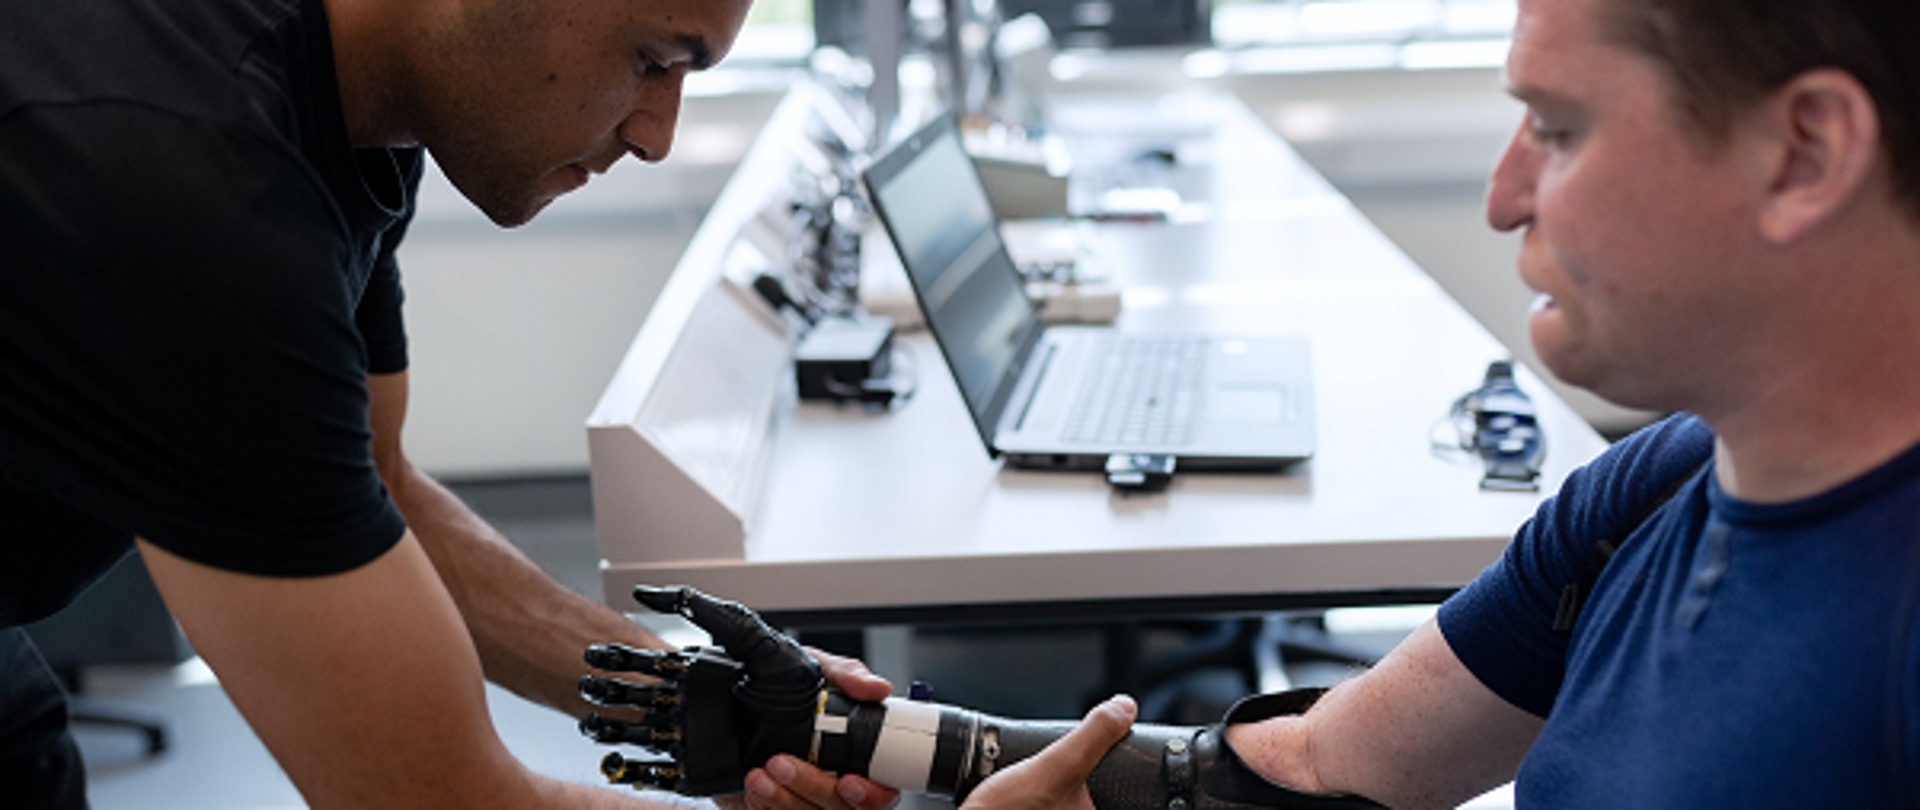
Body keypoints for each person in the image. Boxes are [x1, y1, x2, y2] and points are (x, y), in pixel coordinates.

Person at [746, 0, 1920, 806]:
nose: (1505, 199)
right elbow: (1293, 770)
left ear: (1806, 154)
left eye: (1559, 132)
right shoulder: (1661, 484)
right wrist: (866, 734)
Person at [0, 0, 901, 806]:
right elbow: (434, 794)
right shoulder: (192, 186)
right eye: (653, 59)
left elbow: (376, 480)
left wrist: (699, 699)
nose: (659, 135)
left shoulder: (355, 106)